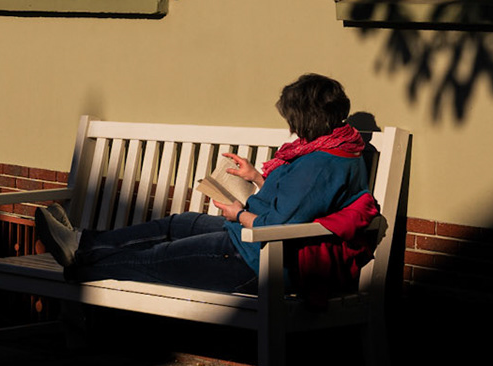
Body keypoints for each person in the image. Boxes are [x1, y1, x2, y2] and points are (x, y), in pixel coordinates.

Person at [34, 73, 370, 293]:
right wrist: (255, 176)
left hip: (257, 259)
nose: (291, 126)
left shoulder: (325, 162)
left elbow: (279, 224)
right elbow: (305, 200)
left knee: (158, 258)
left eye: (292, 118)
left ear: (307, 117)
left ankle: (79, 262)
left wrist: (238, 214)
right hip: (250, 241)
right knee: (181, 223)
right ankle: (82, 241)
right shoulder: (336, 145)